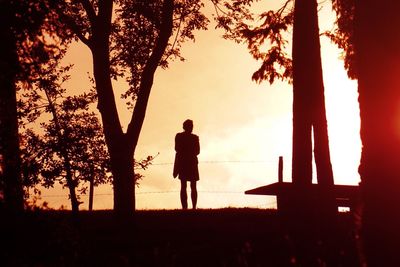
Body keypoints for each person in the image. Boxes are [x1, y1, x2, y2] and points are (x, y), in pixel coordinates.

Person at [173, 119, 200, 209]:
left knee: (187, 186)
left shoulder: (180, 136)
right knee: (189, 186)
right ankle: (190, 208)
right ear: (185, 127)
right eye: (190, 126)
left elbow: (177, 149)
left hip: (185, 162)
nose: (191, 128)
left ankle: (190, 208)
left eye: (191, 126)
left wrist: (185, 153)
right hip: (189, 162)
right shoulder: (194, 138)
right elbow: (197, 151)